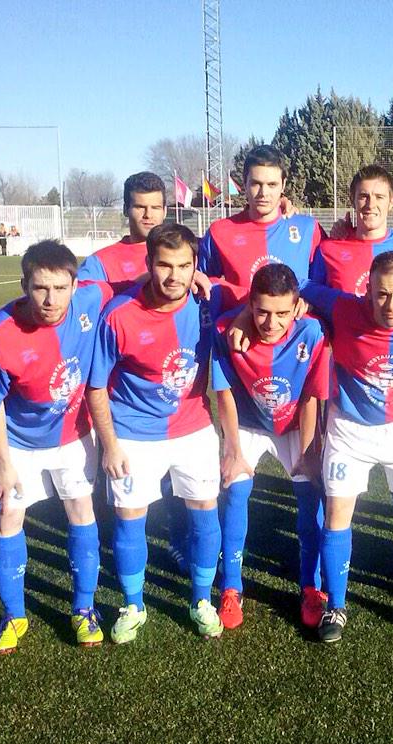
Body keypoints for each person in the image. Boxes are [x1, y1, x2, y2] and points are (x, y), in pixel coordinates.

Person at [295, 252, 393, 643]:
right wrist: (296, 300)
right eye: (382, 294)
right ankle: (336, 605)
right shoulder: (344, 308)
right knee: (337, 510)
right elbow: (301, 284)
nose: (391, 304)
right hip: (351, 428)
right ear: (367, 290)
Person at [88, 223, 228, 641]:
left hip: (193, 426)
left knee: (205, 512)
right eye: (165, 265)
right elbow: (96, 387)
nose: (175, 276)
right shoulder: (119, 314)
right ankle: (133, 604)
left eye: (185, 266)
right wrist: (110, 445)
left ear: (196, 265)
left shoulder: (208, 301)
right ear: (148, 263)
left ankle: (201, 599)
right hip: (132, 432)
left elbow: (266, 298)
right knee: (130, 518)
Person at [0, 240, 114, 654]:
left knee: (81, 511)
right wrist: (4, 464)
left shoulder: (92, 297)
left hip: (74, 436)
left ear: (75, 285)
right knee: (8, 516)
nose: (50, 300)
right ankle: (13, 614)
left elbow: (133, 283)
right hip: (19, 441)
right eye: (40, 288)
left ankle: (84, 609)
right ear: (24, 285)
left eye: (59, 288)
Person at [311, 164, 393, 578]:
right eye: (362, 196)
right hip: (349, 376)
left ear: (392, 201)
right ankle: (326, 564)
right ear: (352, 201)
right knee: (335, 477)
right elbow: (311, 296)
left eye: (379, 196)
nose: (370, 204)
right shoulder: (330, 249)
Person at [212, 263, 330, 630]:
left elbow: (311, 396)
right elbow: (224, 394)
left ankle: (311, 586)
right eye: (262, 311)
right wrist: (233, 450)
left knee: (310, 492)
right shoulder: (226, 331)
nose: (271, 322)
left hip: (293, 425)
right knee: (234, 490)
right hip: (249, 422)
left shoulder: (312, 332)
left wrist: (309, 453)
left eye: (281, 313)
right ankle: (231, 586)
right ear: (250, 304)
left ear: (296, 307)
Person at [199, 145, 323, 308]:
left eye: (272, 184)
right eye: (256, 184)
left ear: (283, 185)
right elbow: (199, 284)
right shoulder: (220, 232)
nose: (263, 193)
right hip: (240, 323)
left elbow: (328, 286)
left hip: (296, 323)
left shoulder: (309, 229)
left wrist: (311, 302)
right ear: (245, 183)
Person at [77, 172, 166, 287]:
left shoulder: (184, 256)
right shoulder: (101, 262)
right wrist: (133, 287)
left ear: (165, 211)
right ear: (125, 210)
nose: (148, 215)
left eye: (155, 208)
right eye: (140, 207)